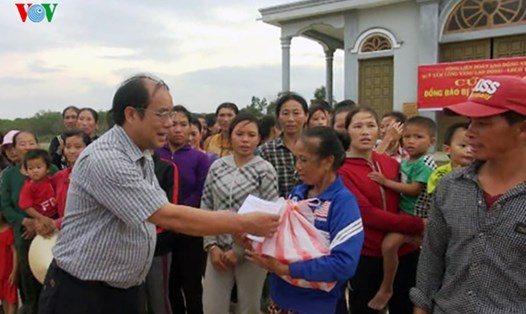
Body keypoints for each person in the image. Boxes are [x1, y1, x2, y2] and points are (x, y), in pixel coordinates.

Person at [38, 74, 279, 314]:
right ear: (131, 114)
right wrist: (242, 222)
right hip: (83, 295)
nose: (170, 123)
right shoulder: (106, 158)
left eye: (172, 114)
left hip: (122, 291)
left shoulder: (141, 154)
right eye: (162, 114)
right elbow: (166, 215)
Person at [410, 75, 526, 314]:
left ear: (522, 128)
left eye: (483, 123)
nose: (470, 132)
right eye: (470, 121)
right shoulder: (451, 186)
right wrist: (421, 307)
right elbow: (432, 257)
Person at [246, 126, 364, 314]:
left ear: (327, 161)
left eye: (303, 160)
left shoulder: (343, 203)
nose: (297, 166)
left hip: (315, 305)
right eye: (296, 159)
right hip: (280, 299)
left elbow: (344, 264)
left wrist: (286, 268)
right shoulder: (297, 195)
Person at [338, 107, 425, 314]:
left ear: (379, 130)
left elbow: (411, 196)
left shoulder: (390, 163)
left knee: (404, 306)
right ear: (347, 131)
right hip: (368, 253)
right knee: (365, 307)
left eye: (371, 125)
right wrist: (418, 225)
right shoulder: (342, 171)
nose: (365, 132)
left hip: (404, 250)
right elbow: (367, 214)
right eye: (358, 126)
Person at [201, 113, 279, 314]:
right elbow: (206, 205)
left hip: (251, 252)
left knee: (249, 308)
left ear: (259, 138)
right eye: (240, 134)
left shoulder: (265, 169)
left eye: (251, 135)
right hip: (217, 251)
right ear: (230, 136)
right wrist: (211, 245)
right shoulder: (217, 166)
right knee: (212, 307)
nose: (245, 139)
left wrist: (239, 251)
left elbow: (269, 213)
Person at [366, 116, 437, 310]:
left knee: (388, 247)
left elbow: (414, 189)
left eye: (418, 137)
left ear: (432, 141)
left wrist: (385, 182)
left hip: (415, 217)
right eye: (407, 137)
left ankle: (387, 287)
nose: (411, 141)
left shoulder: (425, 163)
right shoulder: (407, 161)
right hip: (403, 214)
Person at [155, 105, 210, 314]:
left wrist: (177, 213)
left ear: (192, 128)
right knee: (170, 286)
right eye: (173, 124)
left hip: (190, 228)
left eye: (183, 124)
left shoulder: (199, 158)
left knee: (192, 284)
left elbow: (201, 191)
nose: (177, 129)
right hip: (161, 230)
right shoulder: (154, 155)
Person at [1, 131, 58, 314]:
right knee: (29, 289)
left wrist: (44, 224)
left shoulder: (52, 169)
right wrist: (28, 222)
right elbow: (6, 206)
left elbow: (61, 199)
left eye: (31, 142)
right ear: (15, 149)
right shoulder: (9, 175)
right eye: (22, 143)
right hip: (24, 236)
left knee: (55, 284)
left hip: (52, 234)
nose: (27, 147)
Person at [257, 92, 309, 198]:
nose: (291, 119)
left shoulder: (316, 149)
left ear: (306, 116)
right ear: (278, 117)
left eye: (296, 113)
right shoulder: (265, 151)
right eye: (285, 113)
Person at [18, 149, 58, 236]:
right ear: (26, 171)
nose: (34, 171)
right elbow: (26, 206)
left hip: (56, 215)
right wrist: (41, 218)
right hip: (41, 218)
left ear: (48, 169)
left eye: (38, 167)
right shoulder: (28, 187)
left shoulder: (51, 180)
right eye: (30, 168)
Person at [426, 122, 473, 195]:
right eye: (463, 146)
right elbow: (435, 196)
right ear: (447, 149)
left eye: (474, 146)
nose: (469, 150)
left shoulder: (481, 173)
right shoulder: (440, 173)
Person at [0, 212, 17, 314]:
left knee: (11, 300)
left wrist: (14, 271)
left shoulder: (9, 230)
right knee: (3, 299)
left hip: (8, 274)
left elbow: (15, 252)